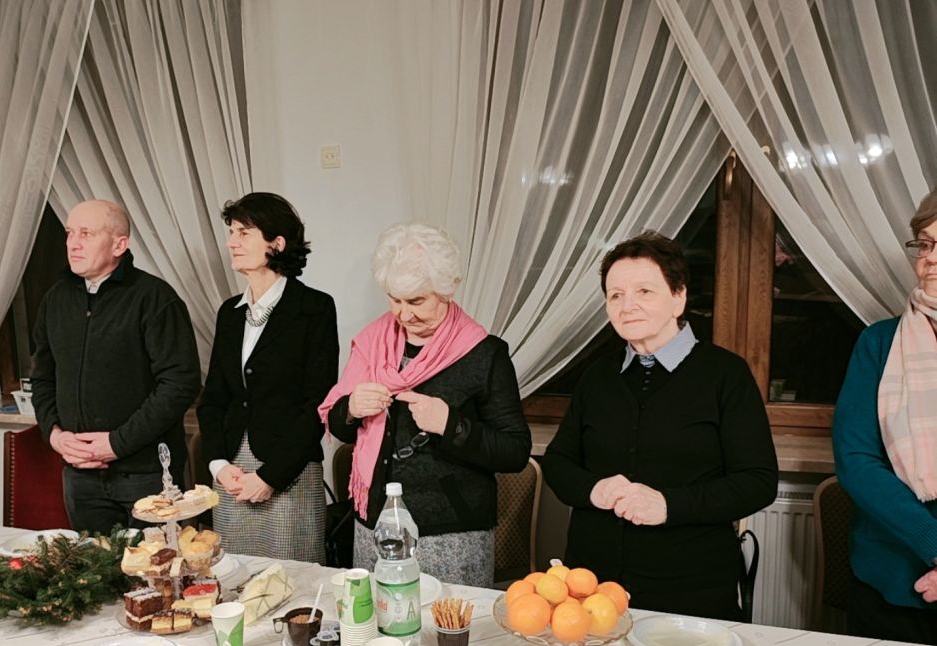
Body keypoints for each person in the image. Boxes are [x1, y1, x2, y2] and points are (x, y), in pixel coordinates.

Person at [543, 232, 777, 620]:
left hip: (691, 592)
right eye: (615, 295)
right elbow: (557, 462)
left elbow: (758, 482)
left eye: (644, 292)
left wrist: (668, 505)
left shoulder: (725, 375)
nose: (627, 306)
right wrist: (594, 489)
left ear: (678, 297)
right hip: (592, 589)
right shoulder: (597, 377)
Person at [320, 223, 531, 588]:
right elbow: (340, 427)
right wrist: (351, 407)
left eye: (416, 301)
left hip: (452, 532)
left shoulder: (485, 354)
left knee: (447, 624)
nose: (403, 314)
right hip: (376, 524)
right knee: (379, 621)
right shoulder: (372, 342)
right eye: (394, 300)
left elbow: (515, 451)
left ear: (447, 290)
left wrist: (451, 424)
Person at [31, 199, 201, 534]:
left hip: (147, 474)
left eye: (86, 233)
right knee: (93, 565)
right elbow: (41, 378)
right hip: (79, 476)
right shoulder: (55, 299)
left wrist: (116, 443)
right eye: (69, 233)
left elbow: (180, 384)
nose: (73, 243)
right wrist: (55, 435)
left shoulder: (154, 298)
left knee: (158, 564)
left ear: (119, 245)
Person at [197, 193, 338, 562]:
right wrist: (218, 464)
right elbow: (213, 399)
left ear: (277, 243)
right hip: (231, 473)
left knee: (296, 584)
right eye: (231, 232)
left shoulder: (315, 308)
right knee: (235, 579)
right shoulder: (229, 313)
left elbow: (318, 403)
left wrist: (271, 477)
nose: (232, 242)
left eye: (244, 233)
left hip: (289, 471)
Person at [833, 187, 937, 645]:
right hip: (890, 578)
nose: (930, 259)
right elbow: (856, 459)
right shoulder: (878, 342)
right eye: (925, 244)